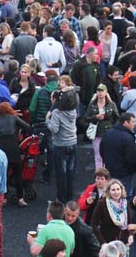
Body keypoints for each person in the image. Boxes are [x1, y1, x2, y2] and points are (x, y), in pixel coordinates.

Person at [47, 75, 79, 203]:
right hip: (73, 142)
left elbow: (54, 129)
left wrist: (47, 119)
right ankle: (70, 197)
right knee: (70, 172)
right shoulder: (73, 112)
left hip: (61, 144)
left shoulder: (56, 113)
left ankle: (61, 199)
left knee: (61, 173)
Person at [101, 113, 136, 194]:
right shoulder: (128, 138)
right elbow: (131, 158)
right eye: (132, 122)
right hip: (125, 174)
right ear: (125, 122)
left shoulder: (107, 133)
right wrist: (133, 169)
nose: (134, 124)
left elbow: (102, 151)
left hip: (110, 170)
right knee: (124, 194)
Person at [89, 177, 129, 245]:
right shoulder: (102, 204)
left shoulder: (125, 203)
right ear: (109, 191)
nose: (116, 192)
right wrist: (103, 242)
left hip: (123, 243)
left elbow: (129, 223)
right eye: (113, 190)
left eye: (118, 189)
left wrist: (131, 235)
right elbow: (94, 224)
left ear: (121, 190)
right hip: (107, 243)